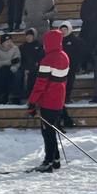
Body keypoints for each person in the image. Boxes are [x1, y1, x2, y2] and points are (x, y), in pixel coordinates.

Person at [27, 28, 70, 171]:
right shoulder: (64, 56)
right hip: (59, 101)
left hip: (48, 102)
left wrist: (32, 102)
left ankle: (48, 161)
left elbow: (40, 84)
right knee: (53, 130)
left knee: (48, 133)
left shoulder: (47, 60)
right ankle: (56, 159)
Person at [0, 31, 22, 103]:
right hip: (1, 69)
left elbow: (17, 60)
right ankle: (2, 95)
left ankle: (15, 96)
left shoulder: (15, 49)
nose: (9, 43)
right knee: (2, 73)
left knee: (17, 74)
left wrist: (14, 66)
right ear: (2, 43)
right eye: (7, 41)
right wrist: (10, 62)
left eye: (10, 41)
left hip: (13, 68)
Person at [20, 28, 44, 98]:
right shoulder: (22, 47)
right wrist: (25, 68)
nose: (28, 37)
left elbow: (41, 58)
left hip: (36, 68)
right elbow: (21, 59)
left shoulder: (39, 46)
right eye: (27, 36)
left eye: (30, 36)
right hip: (26, 68)